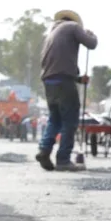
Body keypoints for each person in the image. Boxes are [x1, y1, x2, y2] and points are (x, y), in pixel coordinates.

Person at [36, 10, 98, 172]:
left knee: (55, 119)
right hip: (64, 81)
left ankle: (44, 150)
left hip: (49, 82)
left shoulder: (50, 35)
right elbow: (91, 44)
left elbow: (57, 65)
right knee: (70, 121)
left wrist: (78, 79)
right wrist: (91, 35)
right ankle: (63, 159)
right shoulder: (73, 26)